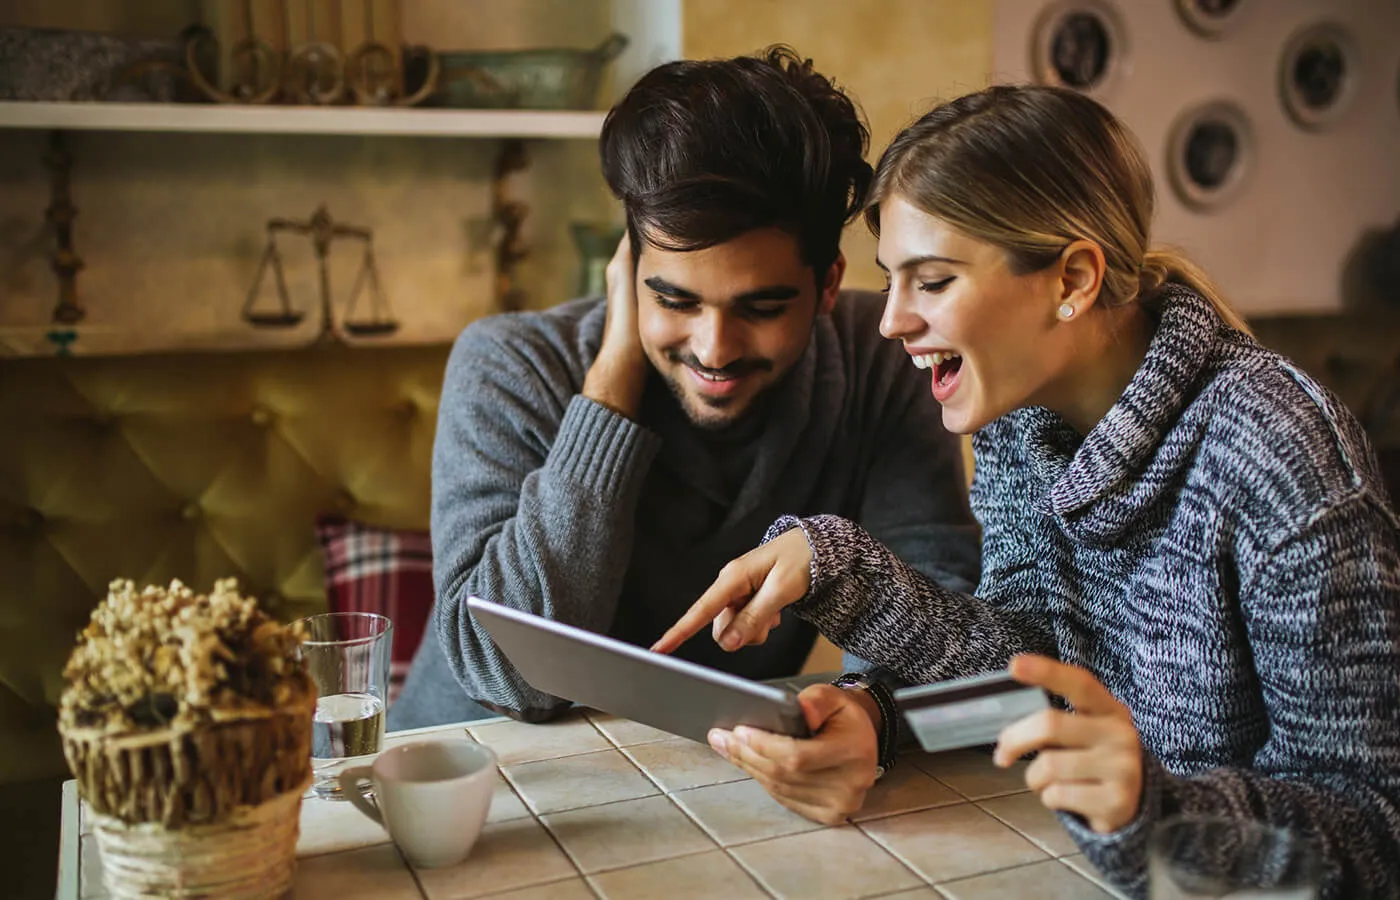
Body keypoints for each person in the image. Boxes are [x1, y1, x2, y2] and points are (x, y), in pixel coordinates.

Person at [654, 84, 1400, 898]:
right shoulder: (1020, 415)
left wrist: (1160, 810)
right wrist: (843, 579)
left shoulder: (1279, 454)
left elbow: (1373, 825)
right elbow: (1023, 674)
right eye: (891, 280)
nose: (889, 321)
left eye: (932, 282)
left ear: (1073, 278)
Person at [389, 47, 980, 730]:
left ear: (826, 285)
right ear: (627, 272)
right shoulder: (508, 364)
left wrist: (864, 716)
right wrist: (613, 380)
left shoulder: (878, 365)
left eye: (759, 309)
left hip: (702, 775)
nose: (714, 349)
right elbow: (511, 682)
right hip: (467, 779)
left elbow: (947, 636)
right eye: (675, 301)